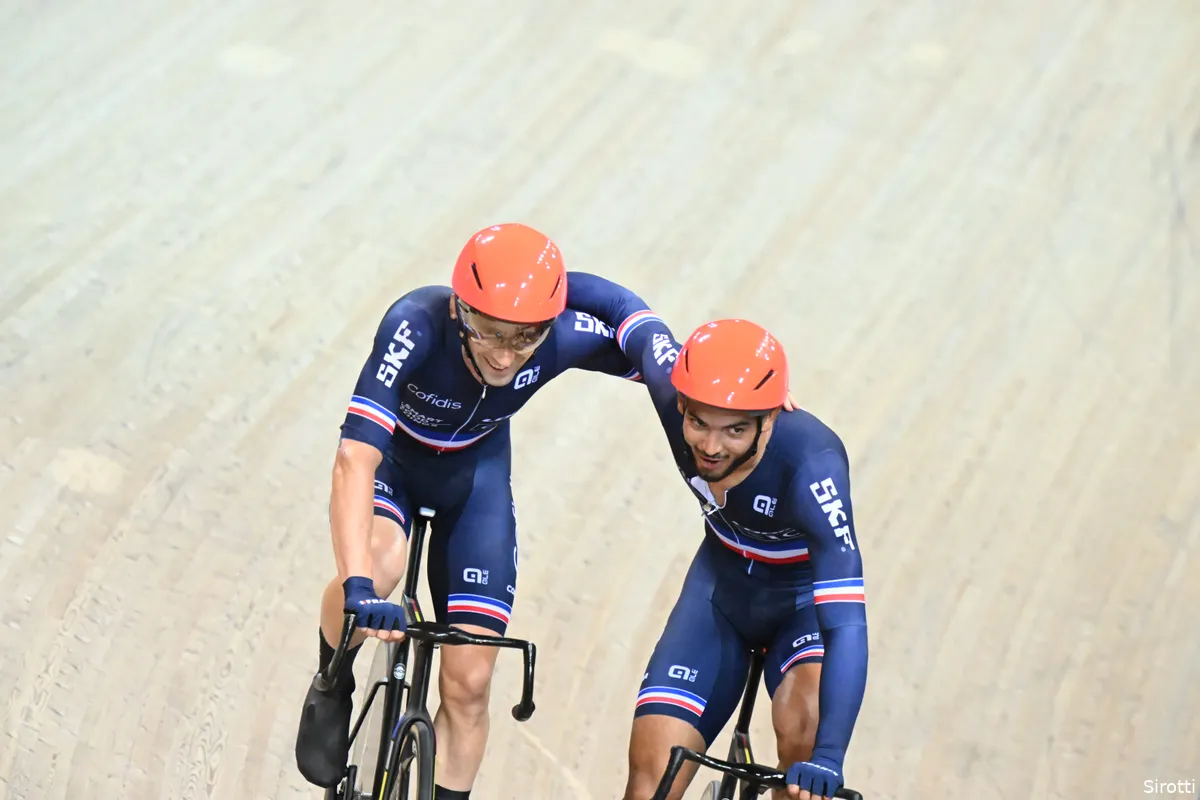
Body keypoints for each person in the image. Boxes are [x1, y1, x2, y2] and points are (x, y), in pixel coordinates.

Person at [294, 223, 643, 799]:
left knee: (471, 683)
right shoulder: (415, 323)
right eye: (488, 333)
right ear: (459, 309)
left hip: (474, 484)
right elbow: (355, 458)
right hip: (395, 469)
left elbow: (673, 376)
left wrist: (755, 412)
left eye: (524, 339)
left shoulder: (558, 341)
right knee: (380, 563)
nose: (505, 356)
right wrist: (358, 588)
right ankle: (333, 676)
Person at [565, 275, 869, 800]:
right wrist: (519, 308)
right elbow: (624, 310)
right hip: (720, 594)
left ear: (770, 417)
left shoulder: (812, 467)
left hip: (800, 607)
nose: (710, 447)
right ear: (681, 403)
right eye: (700, 423)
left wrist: (829, 759)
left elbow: (846, 625)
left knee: (805, 733)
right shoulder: (675, 392)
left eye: (734, 431)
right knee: (651, 779)